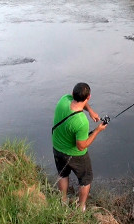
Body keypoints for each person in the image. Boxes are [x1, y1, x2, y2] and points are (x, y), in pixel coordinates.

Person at [52, 82, 107, 212]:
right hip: (75, 155)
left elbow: (78, 100)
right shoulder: (81, 122)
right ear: (89, 97)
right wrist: (97, 130)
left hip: (57, 148)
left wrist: (91, 111)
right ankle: (81, 207)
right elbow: (81, 146)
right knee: (86, 179)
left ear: (73, 93)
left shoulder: (63, 100)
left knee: (63, 174)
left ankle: (63, 201)